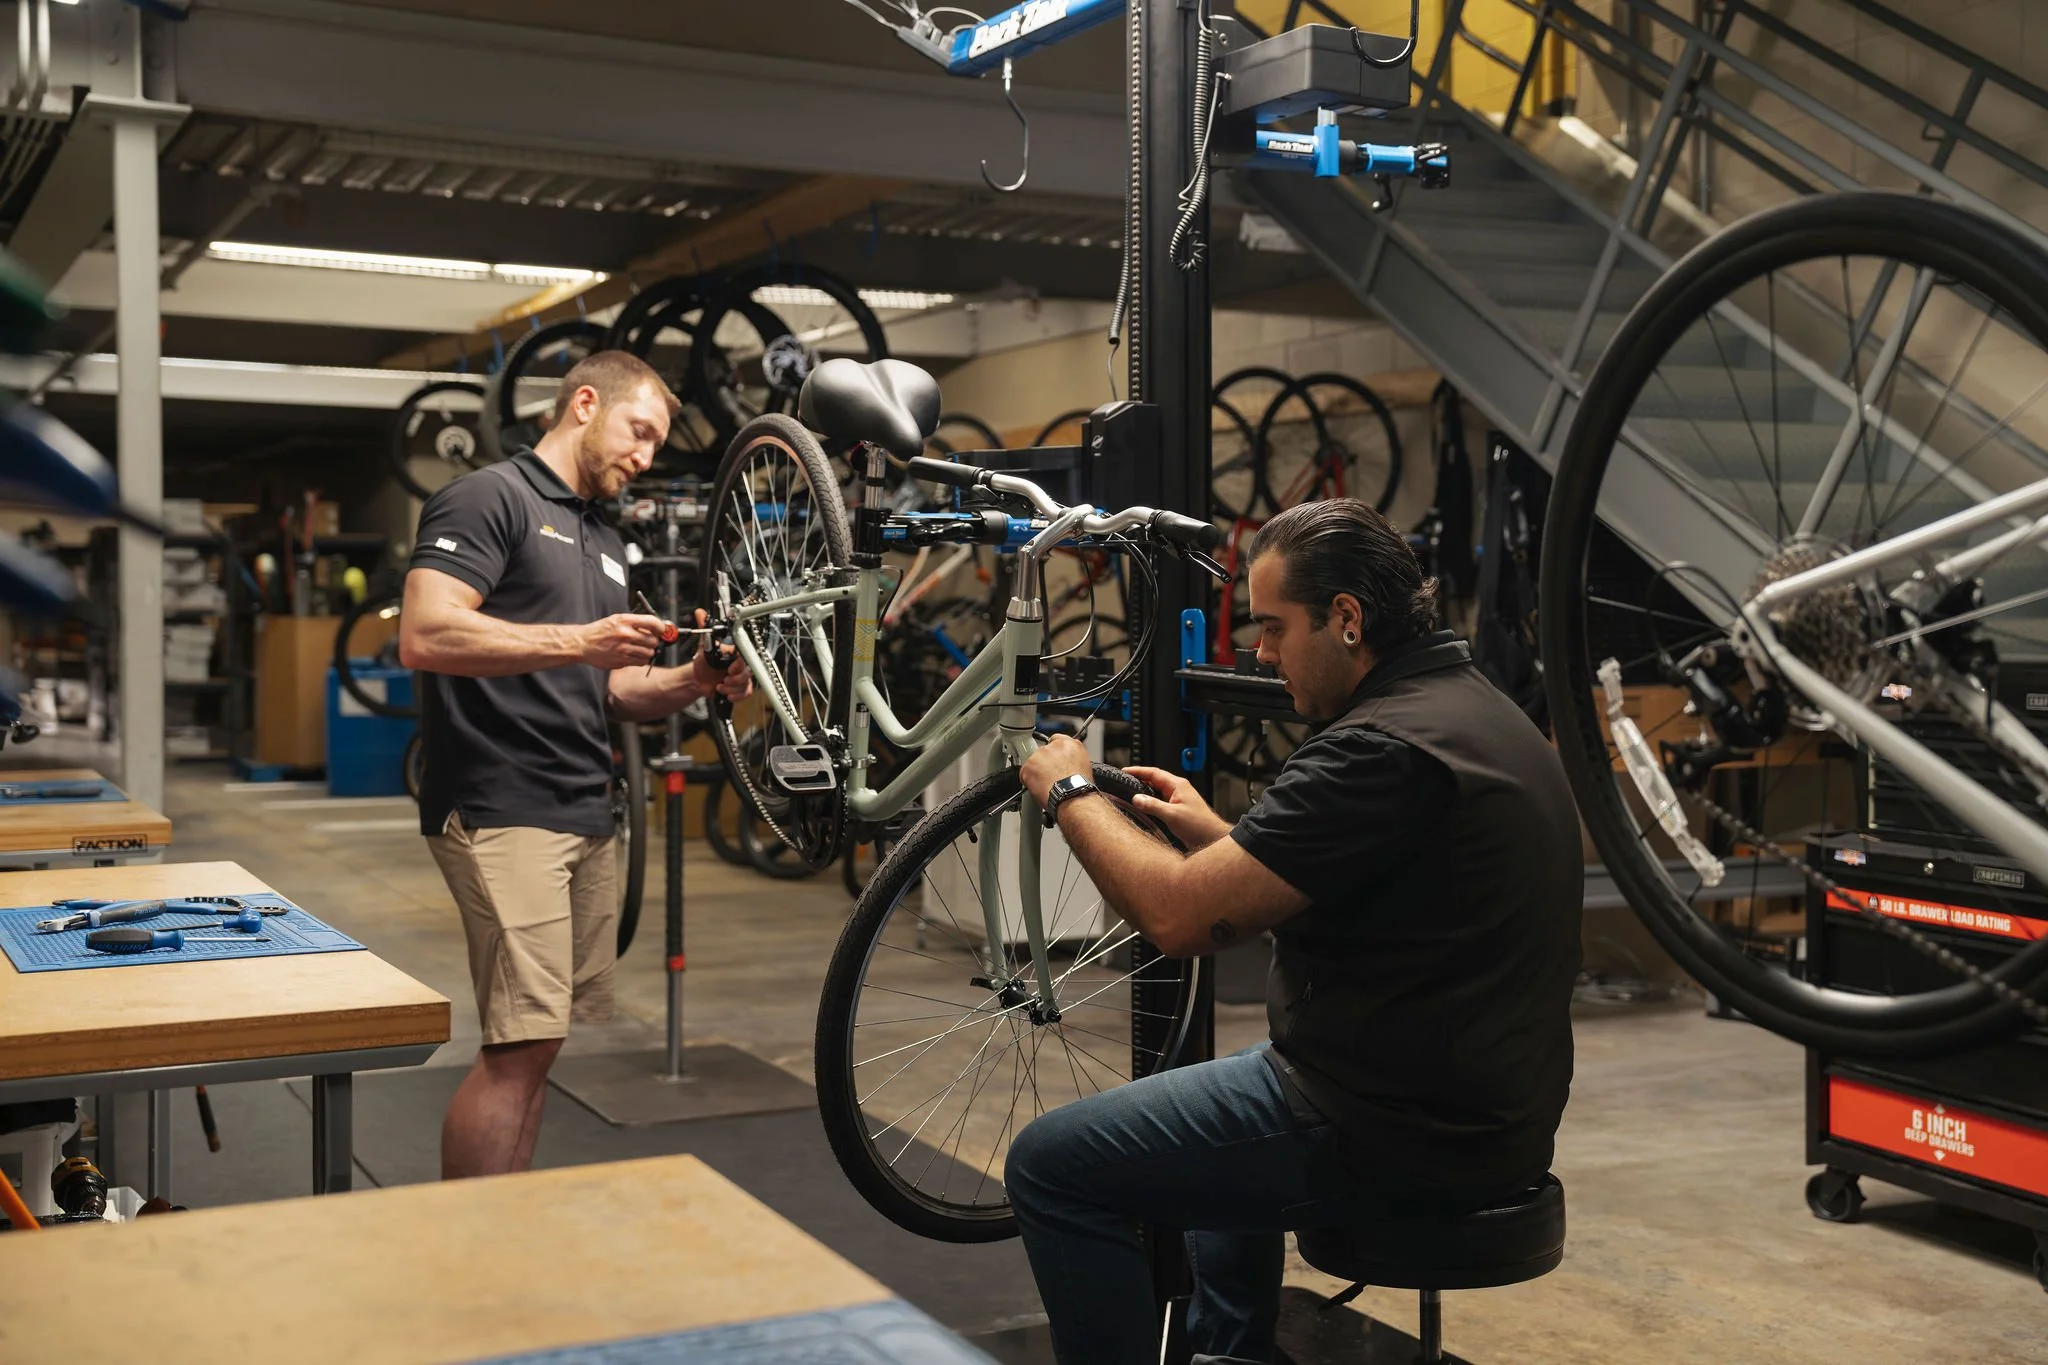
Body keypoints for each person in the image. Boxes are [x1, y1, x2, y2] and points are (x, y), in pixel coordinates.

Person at [1013, 498, 1582, 1364]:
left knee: (1050, 1163)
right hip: (1476, 1107)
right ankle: (1234, 1354)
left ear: (1346, 617)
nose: (1260, 653)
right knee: (1207, 1113)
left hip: (1393, 1126)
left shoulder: (1375, 749)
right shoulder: (1468, 708)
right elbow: (1362, 883)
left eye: (1274, 628)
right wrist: (1222, 837)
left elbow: (1178, 918)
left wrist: (1070, 793)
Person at [398, 350, 750, 1181]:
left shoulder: (605, 537)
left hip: (584, 807)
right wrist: (579, 640)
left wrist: (694, 681)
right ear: (584, 404)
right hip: (499, 800)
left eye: (658, 444)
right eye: (640, 431)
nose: (647, 455)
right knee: (520, 1041)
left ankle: (511, 1220)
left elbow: (615, 688)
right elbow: (426, 631)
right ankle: (470, 1242)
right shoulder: (490, 498)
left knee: (540, 1042)